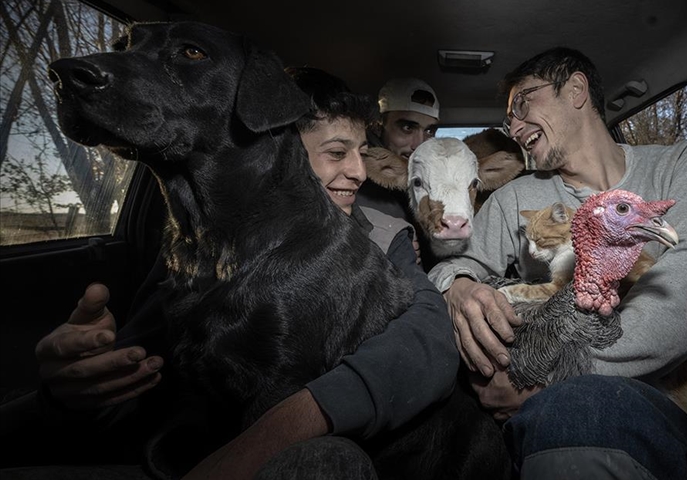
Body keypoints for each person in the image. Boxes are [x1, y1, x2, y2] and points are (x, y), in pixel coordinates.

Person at [4, 68, 459, 480]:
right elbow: (135, 374)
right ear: (284, 156)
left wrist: (293, 422)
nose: (358, 172)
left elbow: (426, 327)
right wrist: (66, 394)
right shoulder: (199, 246)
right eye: (337, 153)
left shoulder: (384, 234)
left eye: (362, 152)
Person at [428, 46, 687, 479]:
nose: (514, 127)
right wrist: (458, 288)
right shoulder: (514, 200)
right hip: (604, 420)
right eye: (509, 119)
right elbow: (452, 266)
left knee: (572, 404)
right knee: (573, 412)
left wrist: (544, 377)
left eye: (522, 104)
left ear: (576, 89)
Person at [356, 77, 440, 223]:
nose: (419, 145)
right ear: (377, 127)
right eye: (407, 128)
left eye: (429, 131)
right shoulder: (361, 185)